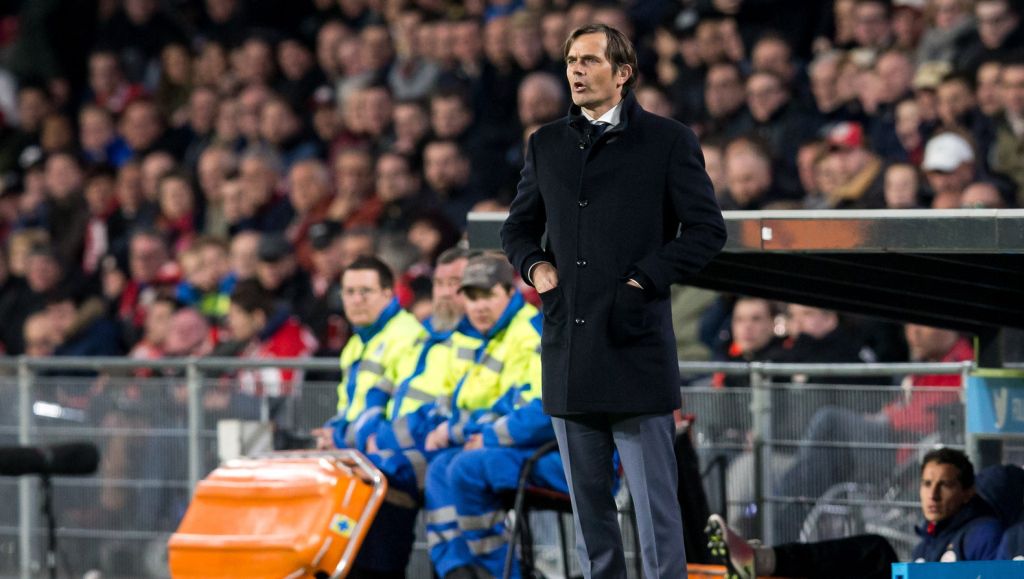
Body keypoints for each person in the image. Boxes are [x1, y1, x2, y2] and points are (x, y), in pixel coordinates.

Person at [500, 23, 727, 579]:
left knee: (656, 512)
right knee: (590, 517)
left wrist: (642, 282)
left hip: (634, 348)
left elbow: (705, 231)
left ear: (623, 73)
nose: (575, 70)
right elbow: (517, 229)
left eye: (589, 61)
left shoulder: (669, 140)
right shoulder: (546, 143)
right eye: (571, 61)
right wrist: (538, 268)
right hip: (570, 350)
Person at [706, 447, 1003, 579]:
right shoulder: (932, 536)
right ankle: (762, 560)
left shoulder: (982, 532)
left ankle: (763, 560)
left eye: (946, 485)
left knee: (875, 550)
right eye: (927, 484)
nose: (933, 495)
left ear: (968, 492)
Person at [313, 255, 423, 451]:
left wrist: (340, 437)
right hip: (355, 443)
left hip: (387, 447)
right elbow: (347, 408)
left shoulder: (407, 336)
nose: (356, 300)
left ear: (388, 294)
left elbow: (398, 413)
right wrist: (332, 431)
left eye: (365, 292)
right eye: (349, 292)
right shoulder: (355, 343)